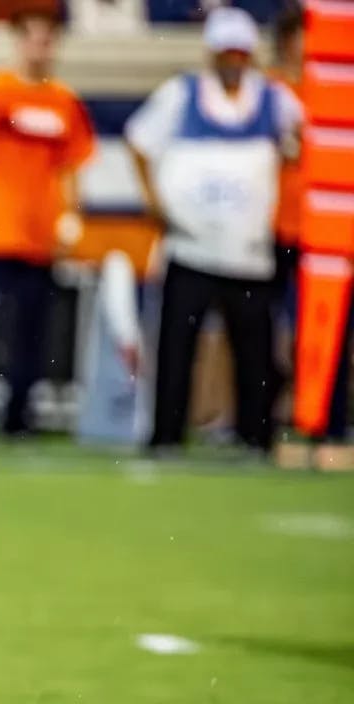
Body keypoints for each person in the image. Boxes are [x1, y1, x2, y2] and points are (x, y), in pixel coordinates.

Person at [126, 5, 303, 454]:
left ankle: (255, 437)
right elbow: (139, 140)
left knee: (254, 350)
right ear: (211, 53)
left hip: (248, 251)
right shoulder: (181, 93)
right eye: (226, 52)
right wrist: (154, 201)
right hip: (191, 245)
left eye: (240, 53)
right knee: (176, 346)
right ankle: (166, 435)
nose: (232, 61)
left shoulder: (275, 99)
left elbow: (305, 141)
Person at [0, 8, 95, 435]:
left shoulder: (64, 101)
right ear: (18, 40)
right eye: (33, 37)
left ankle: (20, 412)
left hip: (41, 233)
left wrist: (71, 217)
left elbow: (72, 167)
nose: (40, 46)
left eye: (47, 38)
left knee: (35, 327)